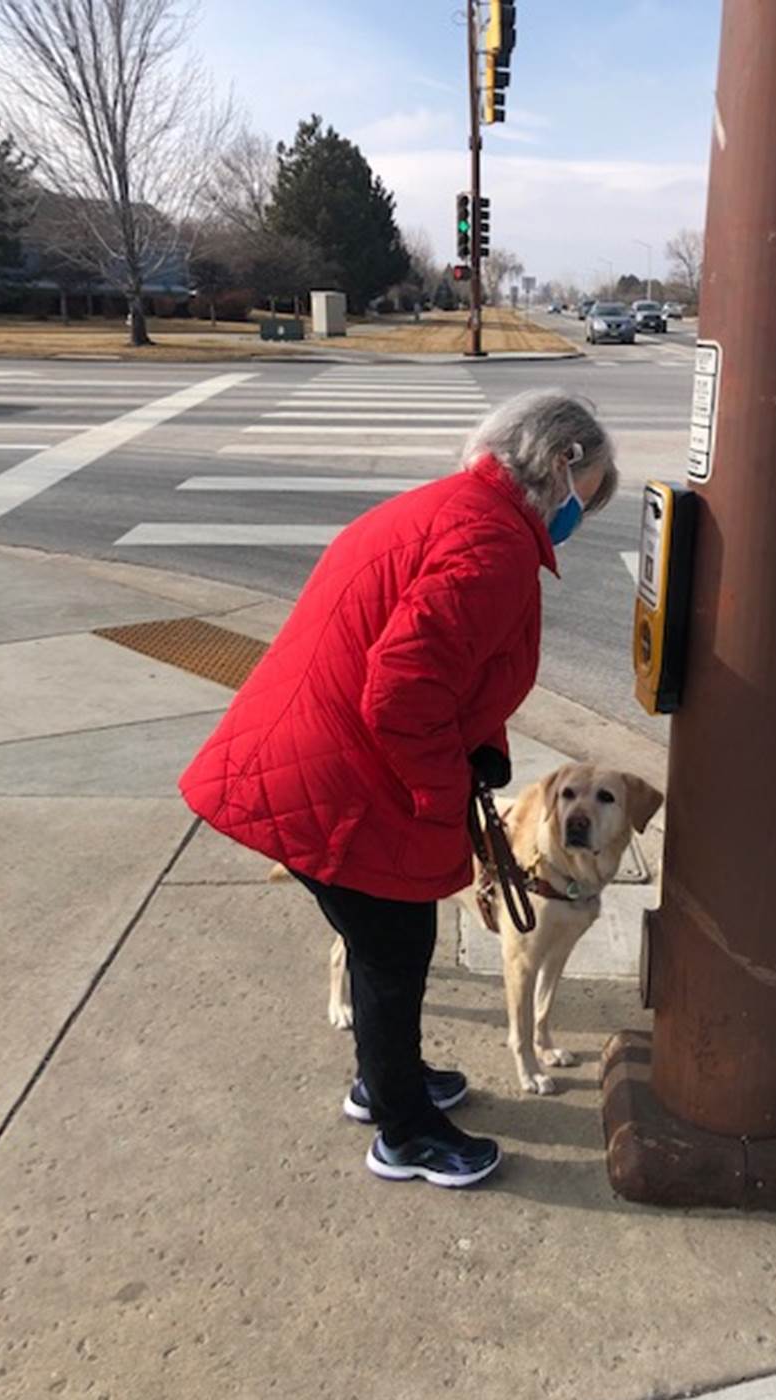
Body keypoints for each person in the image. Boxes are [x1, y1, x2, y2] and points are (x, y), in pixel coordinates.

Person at [179, 391, 617, 1188]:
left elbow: (450, 675)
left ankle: (389, 1081)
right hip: (343, 778)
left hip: (318, 757)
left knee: (389, 948)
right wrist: (439, 793)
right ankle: (405, 1132)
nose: (579, 518)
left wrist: (482, 751)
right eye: (587, 497)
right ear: (562, 463)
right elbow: (403, 691)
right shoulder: (492, 546)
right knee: (393, 952)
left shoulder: (447, 511)